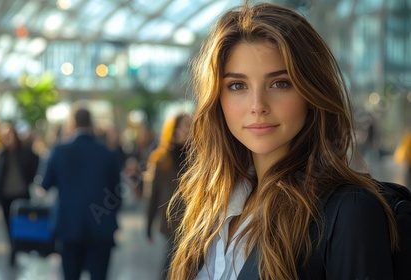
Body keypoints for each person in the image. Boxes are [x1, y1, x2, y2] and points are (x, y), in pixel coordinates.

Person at [167, 3, 399, 280]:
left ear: (311, 92)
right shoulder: (208, 204)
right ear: (217, 99)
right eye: (237, 86)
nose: (257, 106)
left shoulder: (348, 212)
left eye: (280, 83)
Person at [41, 107, 121, 280]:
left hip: (69, 225)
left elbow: (45, 185)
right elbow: (117, 193)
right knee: (99, 275)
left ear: (73, 122)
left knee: (71, 275)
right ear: (91, 123)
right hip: (101, 225)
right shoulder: (107, 153)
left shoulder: (59, 151)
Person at [146, 113, 191, 279]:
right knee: (171, 262)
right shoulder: (161, 158)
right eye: (182, 126)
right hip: (171, 221)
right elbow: (153, 194)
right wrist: (148, 225)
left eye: (189, 126)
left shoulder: (200, 156)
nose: (186, 130)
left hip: (195, 220)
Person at [0, 122, 39, 265]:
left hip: (20, 193)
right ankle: (13, 248)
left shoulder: (24, 151)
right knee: (8, 224)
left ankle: (19, 248)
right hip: (5, 195)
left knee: (21, 224)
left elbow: (34, 164)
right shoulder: (1, 154)